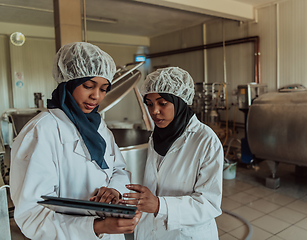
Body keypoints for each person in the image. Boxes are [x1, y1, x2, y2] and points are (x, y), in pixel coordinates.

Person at [9, 42, 141, 240]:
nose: (96, 96)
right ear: (68, 83)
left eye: (104, 89)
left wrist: (114, 190)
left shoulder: (98, 127)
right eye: (88, 86)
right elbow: (32, 216)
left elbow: (118, 169)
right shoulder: (41, 131)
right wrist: (96, 227)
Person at [120, 67, 223, 239]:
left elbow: (209, 204)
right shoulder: (157, 136)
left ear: (179, 100)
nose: (154, 111)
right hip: (150, 230)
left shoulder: (205, 141)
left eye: (162, 103)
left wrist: (160, 205)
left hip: (185, 234)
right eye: (150, 104)